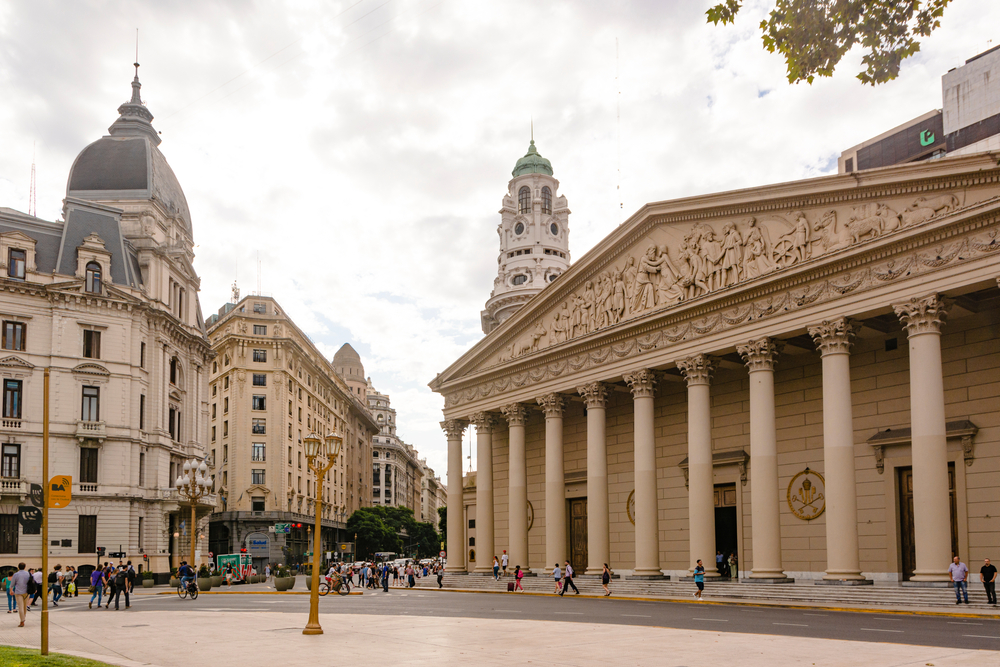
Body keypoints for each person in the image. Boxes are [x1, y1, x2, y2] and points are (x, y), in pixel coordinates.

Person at [11, 563, 31, 627]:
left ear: (18, 567)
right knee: (25, 606)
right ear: (25, 567)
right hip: (26, 592)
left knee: (20, 607)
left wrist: (11, 590)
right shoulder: (28, 574)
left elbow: (12, 584)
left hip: (18, 592)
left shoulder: (16, 574)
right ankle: (23, 618)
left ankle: (22, 621)